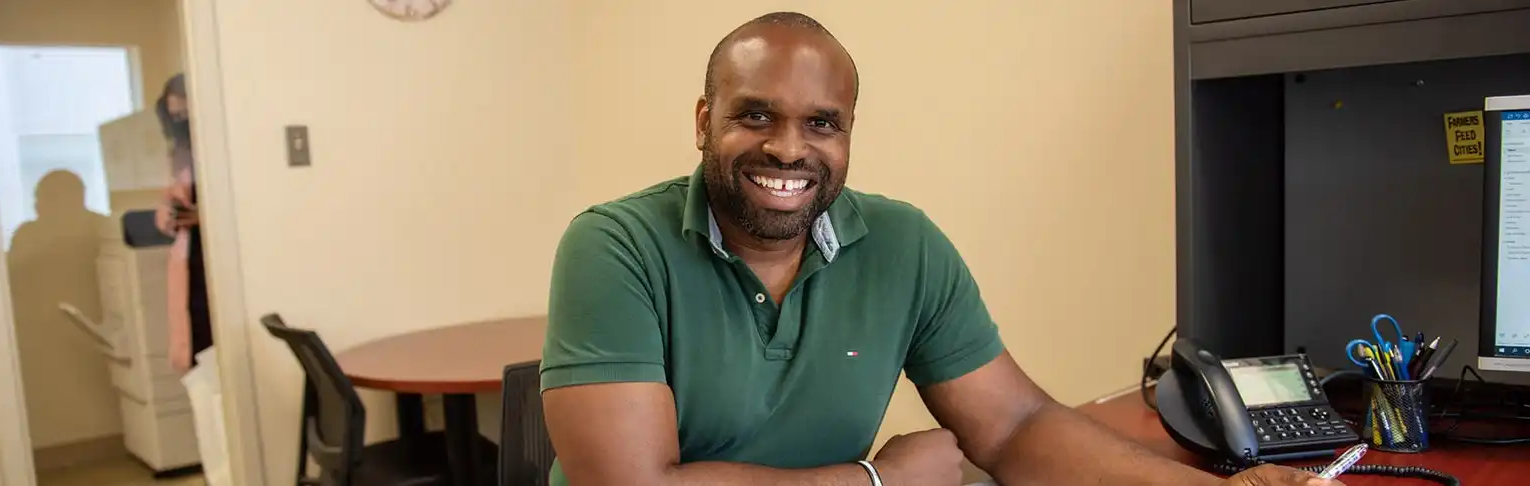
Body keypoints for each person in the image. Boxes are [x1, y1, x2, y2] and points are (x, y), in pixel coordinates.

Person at [539, 12, 1339, 486]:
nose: (789, 149)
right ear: (703, 120)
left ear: (848, 134)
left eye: (822, 123)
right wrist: (873, 481)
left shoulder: (902, 244)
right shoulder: (614, 246)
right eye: (755, 115)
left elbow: (1016, 426)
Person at [153, 73, 210, 375]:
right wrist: (171, 213)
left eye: (186, 116)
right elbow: (165, 209)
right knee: (199, 364)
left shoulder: (217, 150)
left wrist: (208, 218)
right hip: (190, 261)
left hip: (214, 263)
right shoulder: (179, 153)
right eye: (175, 117)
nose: (180, 123)